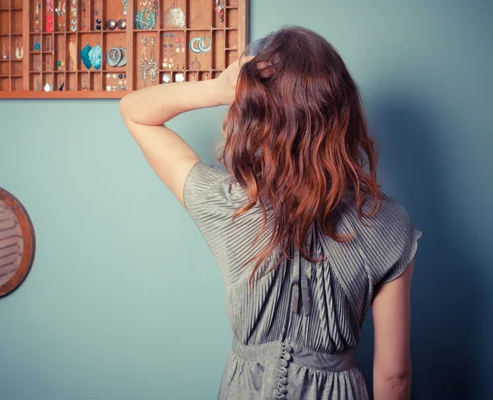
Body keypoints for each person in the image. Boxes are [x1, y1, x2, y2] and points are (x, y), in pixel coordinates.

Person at [119, 26, 422, 400]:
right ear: (343, 115)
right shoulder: (388, 224)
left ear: (255, 114)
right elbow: (394, 376)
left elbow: (134, 111)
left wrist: (216, 88)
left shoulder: (229, 203)